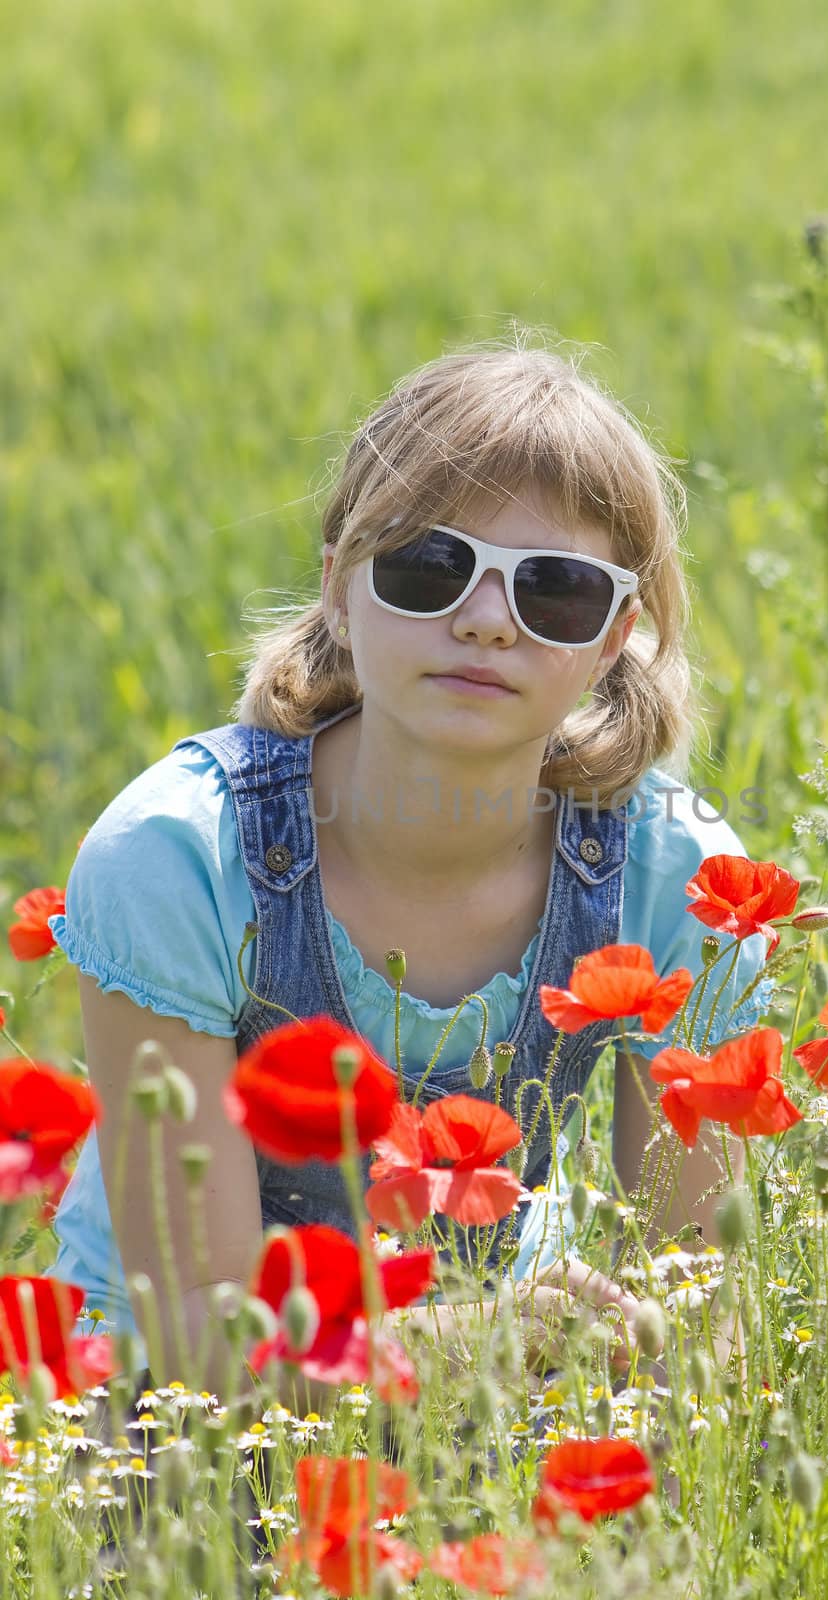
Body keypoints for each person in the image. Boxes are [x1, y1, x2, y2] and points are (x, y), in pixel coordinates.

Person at [41, 338, 771, 1412]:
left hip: (496, 1386)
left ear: (616, 635)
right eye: (427, 567)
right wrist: (462, 1346)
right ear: (338, 583)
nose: (483, 619)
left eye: (554, 591)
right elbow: (191, 1322)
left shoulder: (678, 882)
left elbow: (699, 1289)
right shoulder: (178, 859)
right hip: (161, 1410)